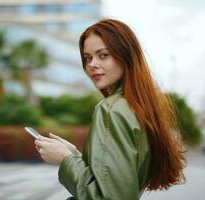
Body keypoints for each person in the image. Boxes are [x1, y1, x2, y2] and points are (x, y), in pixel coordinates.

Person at [35, 18, 186, 200]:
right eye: (87, 58)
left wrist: (65, 161)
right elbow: (115, 178)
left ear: (126, 57)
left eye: (103, 55)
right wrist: (74, 155)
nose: (92, 64)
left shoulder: (110, 110)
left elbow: (111, 197)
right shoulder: (137, 107)